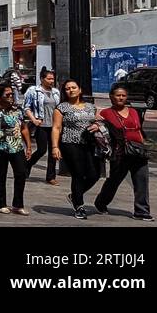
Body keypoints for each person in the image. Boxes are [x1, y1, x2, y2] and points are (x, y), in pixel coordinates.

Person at [95, 83, 153, 221]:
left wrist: (143, 145)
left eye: (123, 95)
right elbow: (102, 131)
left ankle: (142, 211)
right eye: (118, 95)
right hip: (120, 153)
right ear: (111, 97)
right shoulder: (106, 113)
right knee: (114, 180)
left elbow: (139, 129)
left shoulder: (134, 112)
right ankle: (101, 202)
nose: (121, 98)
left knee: (141, 181)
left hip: (138, 151)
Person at [51, 78, 102, 219]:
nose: (71, 90)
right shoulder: (61, 108)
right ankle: (79, 206)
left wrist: (97, 125)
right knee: (78, 174)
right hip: (70, 144)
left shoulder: (91, 107)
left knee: (94, 174)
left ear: (80, 90)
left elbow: (97, 121)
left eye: (74, 87)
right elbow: (56, 128)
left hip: (90, 144)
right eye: (67, 88)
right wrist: (55, 147)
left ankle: (75, 195)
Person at [0, 81, 32, 215]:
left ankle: (18, 204)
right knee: (0, 175)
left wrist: (28, 145)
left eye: (12, 94)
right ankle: (1, 203)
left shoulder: (17, 109)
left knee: (21, 173)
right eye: (8, 94)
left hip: (16, 147)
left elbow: (23, 128)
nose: (11, 96)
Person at [23, 68, 60, 185]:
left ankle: (50, 176)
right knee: (42, 149)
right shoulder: (34, 91)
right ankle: (28, 164)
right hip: (41, 125)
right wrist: (34, 120)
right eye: (49, 79)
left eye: (52, 78)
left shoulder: (56, 92)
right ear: (42, 79)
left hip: (54, 125)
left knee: (53, 150)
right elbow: (26, 107)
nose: (51, 81)